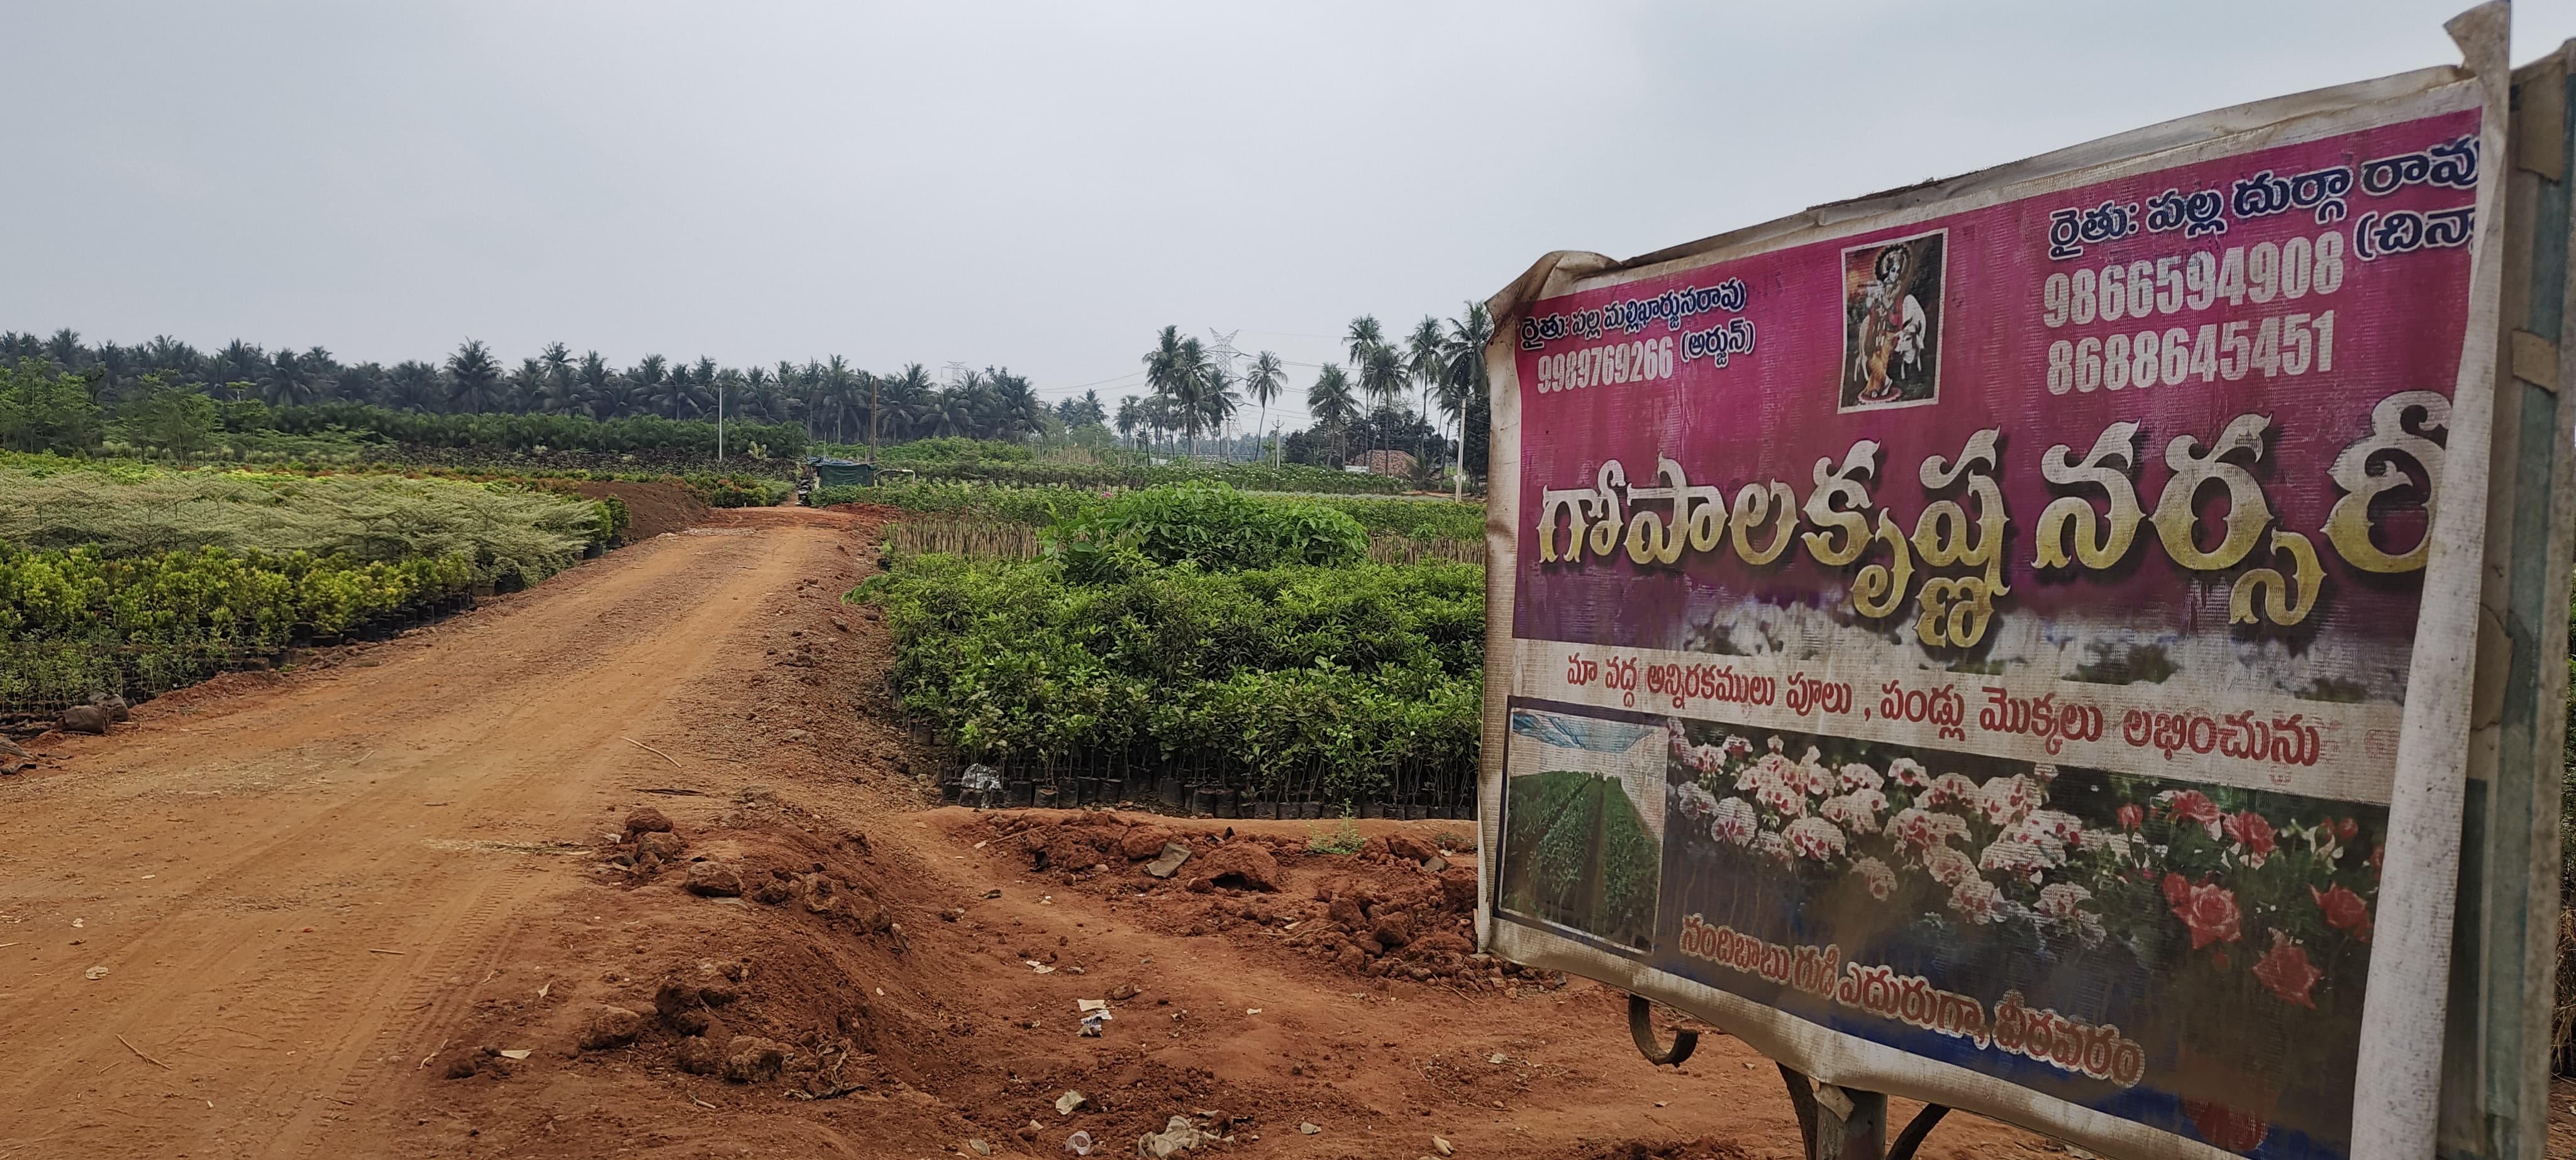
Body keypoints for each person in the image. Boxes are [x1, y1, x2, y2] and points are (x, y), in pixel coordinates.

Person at [1852, 244, 1929, 403]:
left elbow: (1892, 308)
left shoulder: (1898, 287)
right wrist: (1871, 299)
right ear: (1888, 269)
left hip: (1891, 328)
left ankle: (1875, 389)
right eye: (1893, 270)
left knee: (1883, 358)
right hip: (1877, 328)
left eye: (1898, 271)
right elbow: (1874, 309)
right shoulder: (1882, 285)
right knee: (1872, 356)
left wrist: (1882, 297)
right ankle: (1884, 382)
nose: (1895, 274)